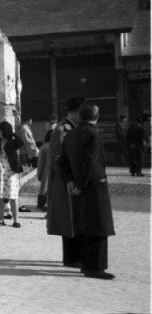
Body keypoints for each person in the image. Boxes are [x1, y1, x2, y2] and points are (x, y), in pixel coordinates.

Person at [59, 103, 115, 280]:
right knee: (98, 225)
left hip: (77, 186)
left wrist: (70, 182)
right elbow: (89, 162)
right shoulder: (93, 133)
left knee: (83, 224)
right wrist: (81, 184)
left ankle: (84, 262)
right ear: (96, 116)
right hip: (92, 186)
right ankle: (95, 267)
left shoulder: (70, 134)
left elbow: (62, 162)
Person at [46, 97, 84, 268]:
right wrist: (68, 176)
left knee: (77, 218)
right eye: (80, 113)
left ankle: (76, 255)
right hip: (64, 181)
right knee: (68, 219)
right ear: (72, 113)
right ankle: (70, 258)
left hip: (74, 180)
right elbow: (55, 158)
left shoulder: (76, 128)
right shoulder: (61, 130)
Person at [0, 121, 23, 227]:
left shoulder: (12, 142)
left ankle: (16, 220)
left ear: (4, 131)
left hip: (11, 172)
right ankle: (1, 220)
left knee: (13, 196)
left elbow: (21, 142)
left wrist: (12, 134)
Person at [36, 130, 53, 211]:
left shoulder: (43, 148)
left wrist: (39, 175)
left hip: (45, 173)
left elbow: (40, 163)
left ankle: (43, 204)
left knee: (44, 188)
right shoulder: (57, 147)